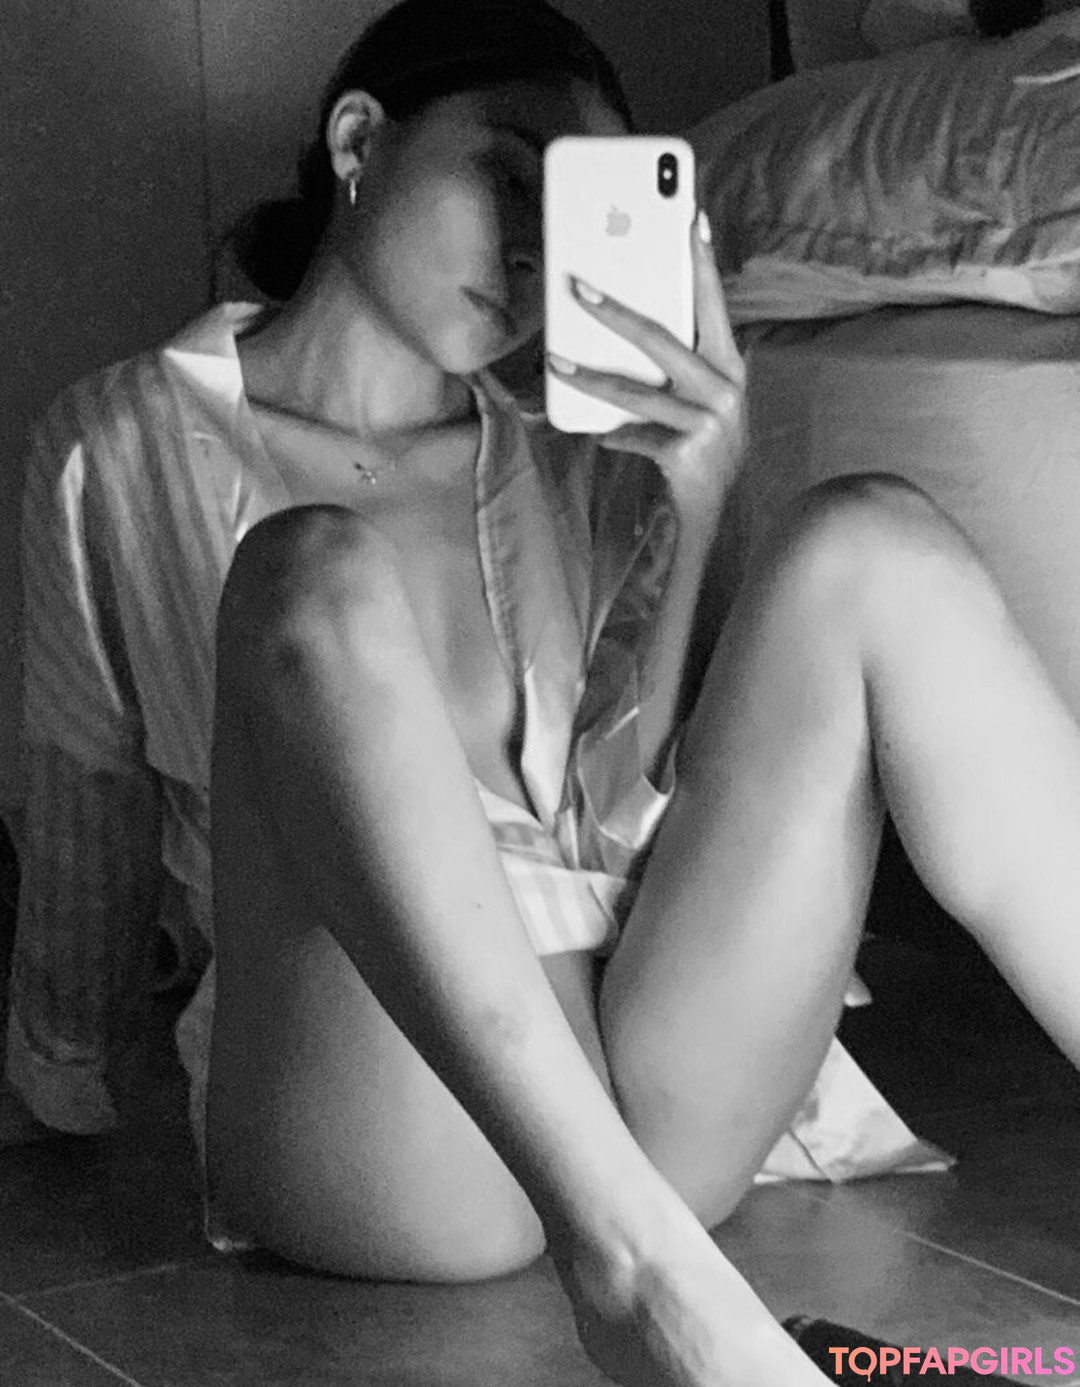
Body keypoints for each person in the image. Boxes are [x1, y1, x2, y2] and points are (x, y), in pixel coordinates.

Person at [8, 2, 1080, 1384]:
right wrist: (59, 1066)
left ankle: (637, 1247)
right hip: (397, 1132)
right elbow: (84, 788)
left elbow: (631, 803)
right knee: (311, 570)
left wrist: (703, 497)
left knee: (870, 537)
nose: (529, 249)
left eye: (571, 206)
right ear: (359, 142)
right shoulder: (118, 440)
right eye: (511, 175)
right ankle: (636, 1276)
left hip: (658, 1097)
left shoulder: (573, 452)